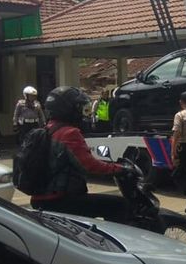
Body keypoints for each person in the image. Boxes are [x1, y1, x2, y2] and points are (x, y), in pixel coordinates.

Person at [30, 86, 134, 223]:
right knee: (119, 205)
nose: (81, 112)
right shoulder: (69, 133)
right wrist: (120, 169)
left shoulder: (46, 130)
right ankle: (116, 237)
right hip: (60, 199)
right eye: (78, 108)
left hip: (40, 198)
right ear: (68, 110)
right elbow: (89, 165)